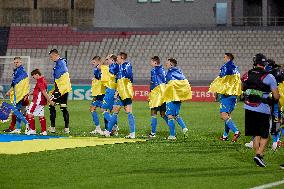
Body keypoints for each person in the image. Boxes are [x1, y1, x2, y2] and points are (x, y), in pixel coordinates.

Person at [242, 53, 280, 167]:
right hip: (262, 109)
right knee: (265, 135)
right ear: (264, 64)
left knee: (255, 135)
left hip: (248, 108)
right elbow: (276, 96)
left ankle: (258, 157)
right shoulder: (269, 77)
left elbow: (242, 88)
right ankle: (259, 155)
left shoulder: (247, 74)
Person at [209, 53, 242, 142]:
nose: (223, 58)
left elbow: (221, 80)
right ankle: (225, 136)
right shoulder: (236, 68)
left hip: (226, 95)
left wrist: (216, 90)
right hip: (233, 95)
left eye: (224, 57)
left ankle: (236, 131)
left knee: (223, 115)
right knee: (228, 115)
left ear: (227, 57)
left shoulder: (226, 67)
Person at [104, 52, 136, 138]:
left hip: (125, 92)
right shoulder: (118, 67)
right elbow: (112, 72)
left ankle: (132, 133)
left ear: (121, 57)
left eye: (117, 57)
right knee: (115, 111)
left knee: (128, 111)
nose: (116, 59)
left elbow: (127, 78)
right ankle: (108, 131)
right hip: (120, 92)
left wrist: (119, 91)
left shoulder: (127, 65)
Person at [163, 58, 191, 140]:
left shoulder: (170, 73)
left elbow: (168, 85)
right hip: (179, 97)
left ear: (171, 64)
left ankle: (172, 135)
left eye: (167, 63)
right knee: (176, 114)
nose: (166, 64)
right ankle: (184, 128)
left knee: (169, 115)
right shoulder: (179, 72)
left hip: (171, 96)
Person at [3, 57, 30, 134]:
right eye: (15, 62)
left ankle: (27, 123)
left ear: (21, 62)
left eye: (17, 62)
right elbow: (15, 84)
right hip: (18, 93)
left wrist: (25, 93)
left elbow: (24, 84)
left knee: (15, 110)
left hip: (19, 94)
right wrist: (10, 91)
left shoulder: (21, 72)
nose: (16, 63)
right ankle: (18, 128)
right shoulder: (18, 71)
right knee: (17, 110)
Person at [48, 49, 72, 134]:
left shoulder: (60, 64)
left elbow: (58, 79)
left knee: (51, 105)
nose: (51, 58)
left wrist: (56, 90)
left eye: (51, 57)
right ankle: (66, 128)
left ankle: (53, 127)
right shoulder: (62, 62)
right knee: (63, 107)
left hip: (60, 89)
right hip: (65, 89)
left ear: (55, 55)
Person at [26, 69, 54, 135]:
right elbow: (39, 91)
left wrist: (50, 101)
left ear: (37, 74)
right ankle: (44, 131)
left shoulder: (40, 82)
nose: (33, 78)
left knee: (29, 113)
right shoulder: (43, 80)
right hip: (41, 102)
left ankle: (32, 130)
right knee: (41, 115)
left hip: (37, 101)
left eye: (33, 76)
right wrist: (30, 93)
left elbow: (44, 92)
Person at [148, 56, 167, 138]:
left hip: (157, 94)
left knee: (153, 113)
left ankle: (153, 133)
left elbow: (154, 83)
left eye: (151, 61)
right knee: (163, 114)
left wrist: (151, 95)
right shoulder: (163, 70)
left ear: (155, 62)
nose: (150, 63)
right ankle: (172, 131)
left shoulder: (154, 70)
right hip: (164, 94)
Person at [89, 56, 106, 135]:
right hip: (99, 93)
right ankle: (98, 128)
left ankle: (112, 127)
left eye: (94, 62)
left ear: (98, 62)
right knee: (93, 108)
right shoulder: (98, 69)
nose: (92, 63)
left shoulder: (99, 69)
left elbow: (100, 78)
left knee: (104, 111)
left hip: (101, 93)